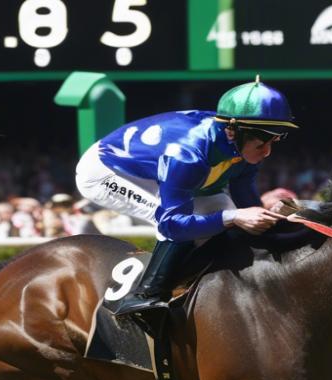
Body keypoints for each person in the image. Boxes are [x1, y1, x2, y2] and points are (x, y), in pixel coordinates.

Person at [75, 76, 297, 316]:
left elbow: (246, 200)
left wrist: (268, 218)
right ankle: (146, 296)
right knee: (173, 218)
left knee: (223, 208)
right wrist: (234, 217)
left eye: (275, 139)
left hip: (160, 169)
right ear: (233, 132)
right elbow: (173, 226)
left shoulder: (242, 147)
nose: (267, 152)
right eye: (262, 142)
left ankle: (196, 284)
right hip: (107, 172)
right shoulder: (187, 155)